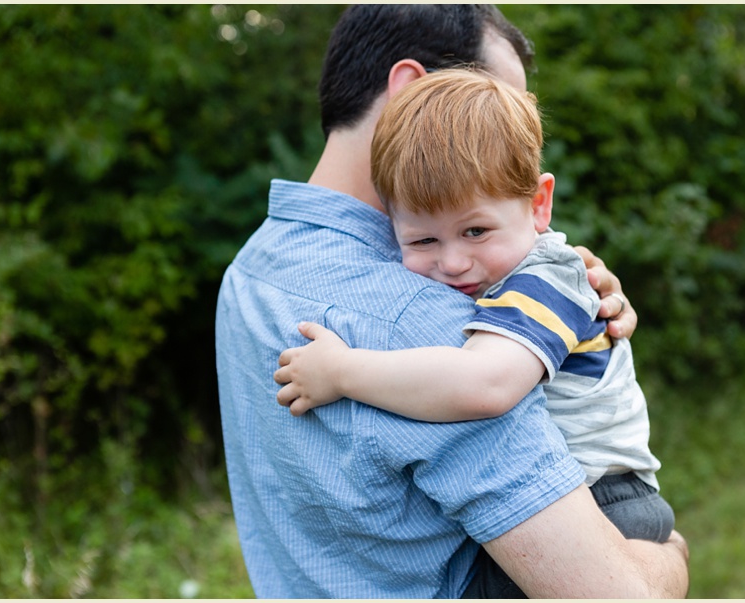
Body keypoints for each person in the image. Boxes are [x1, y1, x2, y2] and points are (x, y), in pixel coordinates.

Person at [216, 5, 688, 598]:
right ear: (417, 92)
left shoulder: (250, 271)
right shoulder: (426, 317)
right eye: (489, 101)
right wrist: (668, 558)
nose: (505, 140)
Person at [274, 68, 676, 545]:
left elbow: (486, 384)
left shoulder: (549, 278)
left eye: (475, 231)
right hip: (585, 498)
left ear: (538, 205)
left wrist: (342, 373)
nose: (452, 262)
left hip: (610, 504)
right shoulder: (499, 274)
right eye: (423, 239)